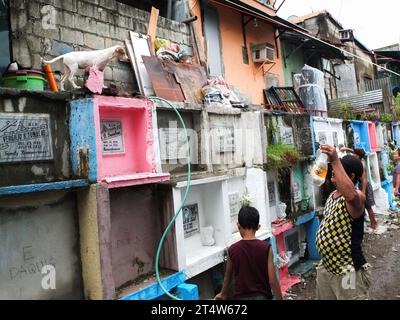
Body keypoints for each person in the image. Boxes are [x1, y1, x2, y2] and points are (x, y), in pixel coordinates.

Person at [316, 145, 372, 300]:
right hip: (327, 267)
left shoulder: (358, 197)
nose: (334, 170)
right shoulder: (333, 195)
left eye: (340, 167)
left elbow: (351, 195)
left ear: (351, 176)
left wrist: (334, 160)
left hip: (347, 269)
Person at [214, 206, 282, 300]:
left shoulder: (232, 249)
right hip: (262, 297)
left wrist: (223, 293)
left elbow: (228, 277)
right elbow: (272, 281)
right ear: (258, 227)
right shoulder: (266, 248)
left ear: (238, 226)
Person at [339, 146, 378, 230]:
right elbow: (353, 151)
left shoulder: (361, 164)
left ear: (358, 156)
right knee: (364, 206)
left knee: (368, 206)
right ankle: (372, 222)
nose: (352, 155)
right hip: (361, 185)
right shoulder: (359, 159)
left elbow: (364, 179)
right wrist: (345, 148)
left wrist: (363, 192)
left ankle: (373, 223)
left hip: (364, 186)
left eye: (354, 154)